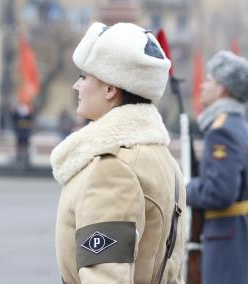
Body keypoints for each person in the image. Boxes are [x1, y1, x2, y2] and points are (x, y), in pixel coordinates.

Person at [50, 22, 186, 284]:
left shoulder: (114, 168)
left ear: (110, 89)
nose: (76, 87)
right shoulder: (163, 158)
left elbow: (106, 277)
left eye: (84, 77)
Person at [186, 50, 248, 284]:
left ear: (222, 89)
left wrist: (185, 188)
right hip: (243, 233)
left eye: (209, 81)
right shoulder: (239, 125)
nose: (202, 86)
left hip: (227, 240)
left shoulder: (221, 131)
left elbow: (219, 192)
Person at [11, 102, 34, 168]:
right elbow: (13, 118)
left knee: (25, 147)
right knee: (20, 146)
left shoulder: (28, 115)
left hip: (25, 133)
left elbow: (31, 119)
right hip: (20, 133)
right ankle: (19, 158)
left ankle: (25, 159)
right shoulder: (17, 115)